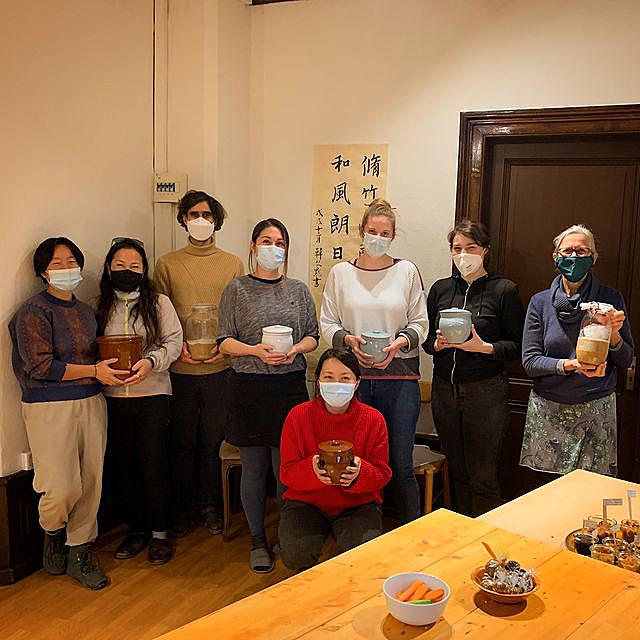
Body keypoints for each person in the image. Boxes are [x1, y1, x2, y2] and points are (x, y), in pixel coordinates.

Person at [9, 237, 126, 589]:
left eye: (71, 261)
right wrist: (94, 371)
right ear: (43, 271)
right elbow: (40, 366)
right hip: (47, 406)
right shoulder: (32, 312)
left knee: (91, 481)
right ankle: (52, 532)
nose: (66, 268)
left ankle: (80, 553)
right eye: (57, 263)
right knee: (59, 486)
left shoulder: (86, 311)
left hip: (92, 401)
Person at [217, 218, 318, 573]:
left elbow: (312, 337)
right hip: (248, 387)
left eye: (279, 242)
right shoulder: (236, 289)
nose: (273, 248)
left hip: (289, 387)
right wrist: (255, 351)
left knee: (285, 469)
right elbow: (224, 341)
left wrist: (294, 350)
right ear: (253, 246)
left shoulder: (298, 290)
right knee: (254, 468)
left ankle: (288, 535)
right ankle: (257, 539)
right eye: (266, 241)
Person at [320, 198, 428, 524]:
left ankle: (408, 533)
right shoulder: (341, 273)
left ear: (393, 236)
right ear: (361, 231)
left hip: (400, 381)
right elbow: (328, 323)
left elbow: (421, 323)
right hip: (352, 382)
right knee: (356, 459)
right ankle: (361, 530)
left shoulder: (406, 271)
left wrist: (399, 343)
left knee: (400, 463)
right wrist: (348, 341)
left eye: (385, 233)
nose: (378, 238)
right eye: (372, 231)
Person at [154, 190, 243, 537]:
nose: (201, 220)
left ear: (216, 221)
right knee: (182, 440)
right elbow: (160, 314)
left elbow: (236, 313)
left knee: (212, 439)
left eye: (207, 215)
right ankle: (182, 508)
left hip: (221, 368)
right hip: (180, 369)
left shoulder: (232, 263)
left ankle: (209, 504)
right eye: (194, 215)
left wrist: (228, 350)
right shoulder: (167, 264)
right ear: (183, 220)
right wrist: (176, 351)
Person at [422, 220, 525, 516]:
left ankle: (485, 532)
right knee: (457, 471)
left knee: (483, 475)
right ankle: (462, 530)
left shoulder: (504, 290)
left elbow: (518, 345)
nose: (463, 255)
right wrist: (436, 345)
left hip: (485, 392)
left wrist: (485, 348)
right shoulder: (441, 289)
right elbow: (426, 340)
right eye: (457, 248)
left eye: (471, 248)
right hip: (445, 390)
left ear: (485, 250)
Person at [520, 224, 634, 477]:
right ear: (555, 256)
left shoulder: (610, 299)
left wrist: (613, 332)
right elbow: (530, 361)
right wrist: (571, 365)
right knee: (547, 490)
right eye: (567, 251)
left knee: (592, 490)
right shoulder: (540, 302)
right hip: (548, 411)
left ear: (594, 257)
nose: (574, 256)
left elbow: (626, 359)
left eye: (582, 251)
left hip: (596, 409)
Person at [96, 238, 182, 564]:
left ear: (144, 270)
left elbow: (174, 342)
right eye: (120, 265)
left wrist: (150, 362)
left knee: (154, 464)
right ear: (108, 268)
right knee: (125, 466)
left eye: (135, 266)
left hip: (154, 394)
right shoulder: (99, 305)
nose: (127, 271)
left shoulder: (159, 303)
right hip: (113, 398)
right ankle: (137, 530)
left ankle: (160, 534)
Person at [279, 348, 391, 572]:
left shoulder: (373, 419)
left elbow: (382, 473)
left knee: (363, 558)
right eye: (328, 377)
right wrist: (311, 470)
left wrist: (360, 472)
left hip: (358, 505)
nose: (336, 384)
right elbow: (287, 472)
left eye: (345, 378)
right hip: (307, 503)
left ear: (357, 383)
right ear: (318, 381)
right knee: (295, 555)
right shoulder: (297, 416)